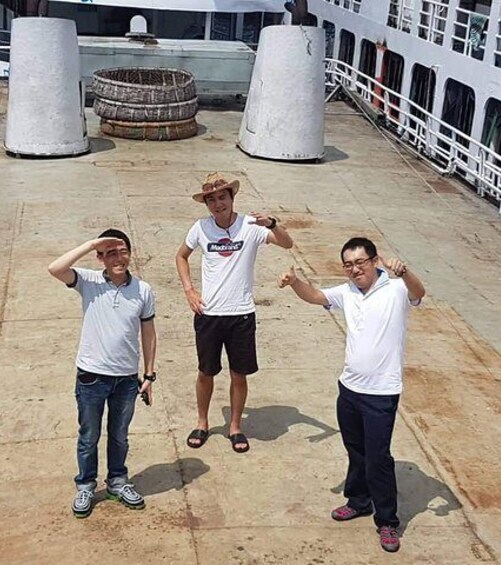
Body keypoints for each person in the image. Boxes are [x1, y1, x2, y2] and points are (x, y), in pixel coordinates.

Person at [277, 237, 425, 553]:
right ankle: (358, 501)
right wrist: (294, 283)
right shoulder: (347, 293)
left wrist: (405, 271)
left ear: (374, 260)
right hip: (349, 388)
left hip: (381, 393)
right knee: (356, 451)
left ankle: (387, 522)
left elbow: (419, 293)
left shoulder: (396, 288)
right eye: (348, 264)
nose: (354, 269)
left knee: (378, 458)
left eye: (360, 262)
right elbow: (315, 296)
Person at [176, 172, 293, 453]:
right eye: (212, 200)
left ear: (232, 197)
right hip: (209, 314)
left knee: (238, 374)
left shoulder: (250, 226)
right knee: (206, 372)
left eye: (222, 197)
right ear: (206, 204)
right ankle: (202, 422)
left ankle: (235, 427)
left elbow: (287, 244)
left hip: (241, 314)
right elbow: (181, 256)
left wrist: (273, 224)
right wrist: (190, 290)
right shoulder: (200, 228)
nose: (218, 204)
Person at [48, 229, 157, 518]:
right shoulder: (89, 281)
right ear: (100, 258)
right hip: (92, 377)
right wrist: (93, 244)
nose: (117, 258)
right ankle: (85, 485)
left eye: (122, 251)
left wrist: (149, 374)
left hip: (126, 379)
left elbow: (148, 331)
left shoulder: (143, 290)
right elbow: (55, 268)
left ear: (130, 253)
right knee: (89, 435)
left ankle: (117, 482)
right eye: (109, 253)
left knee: (120, 435)